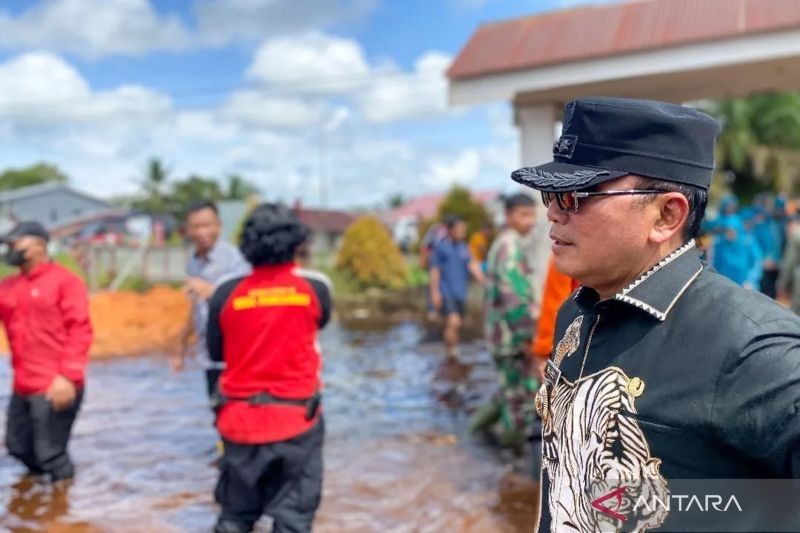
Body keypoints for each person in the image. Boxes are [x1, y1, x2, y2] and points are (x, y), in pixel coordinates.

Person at [511, 97, 800, 532]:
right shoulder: (576, 310)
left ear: (666, 215)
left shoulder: (752, 350)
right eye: (551, 194)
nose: (552, 211)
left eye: (575, 195)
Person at [207, 203, 332, 533]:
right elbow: (318, 326)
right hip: (296, 421)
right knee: (293, 519)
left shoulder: (225, 292)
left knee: (235, 516)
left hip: (239, 422)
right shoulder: (316, 288)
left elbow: (216, 353)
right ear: (297, 241)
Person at [0, 221, 92, 483]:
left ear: (39, 245)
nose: (10, 248)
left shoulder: (65, 282)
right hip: (23, 384)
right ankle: (37, 507)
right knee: (17, 447)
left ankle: (62, 514)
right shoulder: (7, 287)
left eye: (16, 241)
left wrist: (68, 377)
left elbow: (80, 330)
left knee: (50, 454)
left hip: (55, 384)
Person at [476, 194, 539, 449]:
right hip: (510, 337)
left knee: (507, 392)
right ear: (509, 216)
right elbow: (513, 296)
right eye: (524, 215)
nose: (531, 222)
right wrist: (527, 336)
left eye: (533, 215)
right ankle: (511, 454)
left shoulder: (503, 244)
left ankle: (478, 437)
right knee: (519, 399)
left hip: (502, 334)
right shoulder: (510, 245)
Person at [172, 200, 251, 402]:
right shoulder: (193, 262)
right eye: (196, 227)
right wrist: (181, 347)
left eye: (207, 225)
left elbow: (245, 301)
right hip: (209, 355)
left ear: (219, 226)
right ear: (187, 230)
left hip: (235, 353)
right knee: (216, 408)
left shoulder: (236, 259)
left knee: (238, 410)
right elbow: (196, 307)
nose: (202, 232)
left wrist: (210, 292)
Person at [429, 217, 485, 357]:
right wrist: (435, 292)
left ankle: (451, 347)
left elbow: (472, 265)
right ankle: (451, 351)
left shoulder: (464, 247)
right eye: (459, 229)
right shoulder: (441, 247)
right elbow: (435, 271)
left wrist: (486, 282)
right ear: (450, 230)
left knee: (456, 324)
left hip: (461, 292)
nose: (462, 232)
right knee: (454, 322)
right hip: (446, 291)